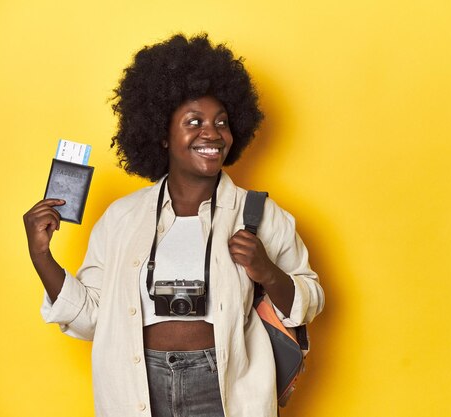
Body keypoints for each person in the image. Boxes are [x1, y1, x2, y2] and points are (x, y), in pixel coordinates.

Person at [23, 33, 324, 417]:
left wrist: (265, 270)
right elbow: (90, 319)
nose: (212, 133)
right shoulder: (121, 219)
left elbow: (309, 301)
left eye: (222, 122)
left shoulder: (259, 213)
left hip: (225, 387)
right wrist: (41, 256)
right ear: (162, 135)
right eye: (194, 121)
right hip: (136, 385)